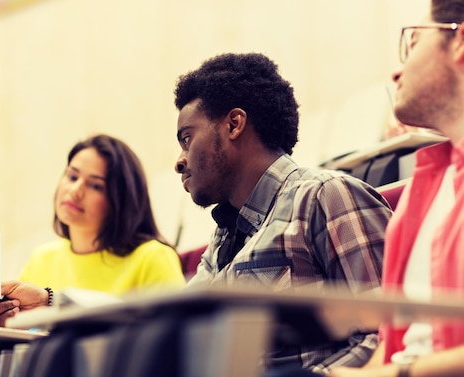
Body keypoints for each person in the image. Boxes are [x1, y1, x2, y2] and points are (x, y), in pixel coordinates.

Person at [173, 52, 391, 374]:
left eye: (187, 139)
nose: (179, 160)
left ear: (234, 124)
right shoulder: (224, 235)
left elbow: (387, 336)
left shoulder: (325, 196)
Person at [328, 1, 464, 376]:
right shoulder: (425, 190)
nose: (395, 71)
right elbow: (394, 343)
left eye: (413, 42)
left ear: (459, 41)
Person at [0, 134, 186, 327]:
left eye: (95, 186)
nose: (75, 191)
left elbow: (171, 342)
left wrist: (50, 304)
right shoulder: (42, 259)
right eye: (72, 177)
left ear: (121, 200)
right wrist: (6, 318)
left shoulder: (153, 257)